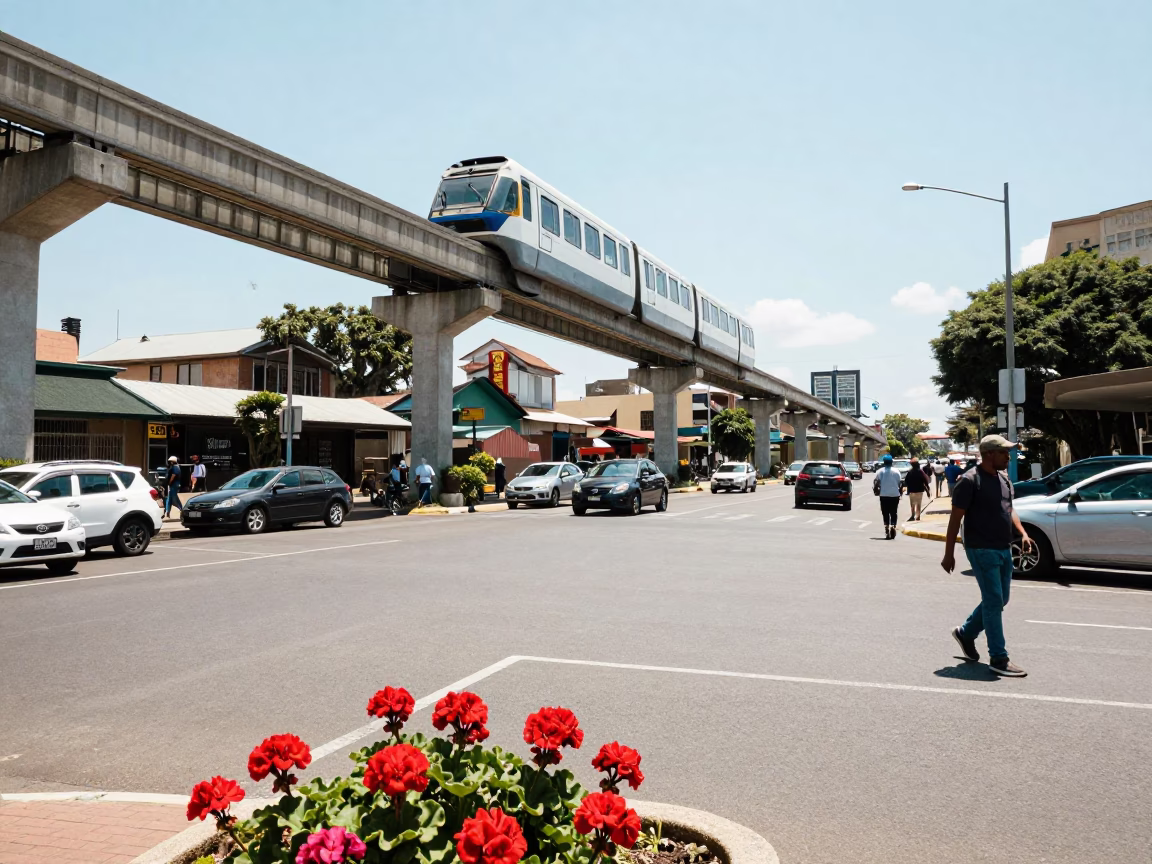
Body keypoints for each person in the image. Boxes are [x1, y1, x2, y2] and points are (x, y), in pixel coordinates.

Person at [942, 435, 1031, 678]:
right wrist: (949, 553)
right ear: (990, 454)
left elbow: (1009, 509)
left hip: (1003, 547)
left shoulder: (1004, 480)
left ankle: (965, 633)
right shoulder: (970, 481)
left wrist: (1022, 533)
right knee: (993, 600)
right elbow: (955, 520)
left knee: (1000, 599)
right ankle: (999, 658)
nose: (1008, 457)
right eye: (1004, 452)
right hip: (981, 548)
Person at [873, 454, 903, 539]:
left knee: (885, 512)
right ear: (891, 462)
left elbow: (876, 483)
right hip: (894, 495)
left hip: (884, 495)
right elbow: (899, 483)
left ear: (884, 462)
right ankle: (893, 525)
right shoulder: (896, 471)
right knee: (894, 512)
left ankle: (886, 527)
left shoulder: (880, 471)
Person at [904, 456, 931, 521]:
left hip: (912, 491)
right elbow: (925, 481)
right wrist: (927, 490)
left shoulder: (910, 472)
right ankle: (918, 516)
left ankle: (912, 516)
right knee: (918, 504)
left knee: (912, 504)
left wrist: (907, 488)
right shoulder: (920, 472)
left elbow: (906, 481)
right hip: (919, 491)